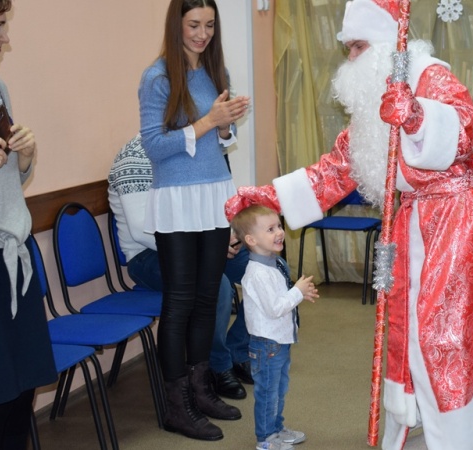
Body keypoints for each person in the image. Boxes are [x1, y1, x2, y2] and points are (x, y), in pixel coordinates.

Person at [225, 1, 473, 449]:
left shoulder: (429, 75)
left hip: (454, 222)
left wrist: (416, 115)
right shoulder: (374, 96)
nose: (351, 58)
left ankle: (458, 431)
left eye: (357, 46)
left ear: (383, 42)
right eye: (348, 48)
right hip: (412, 221)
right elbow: (336, 171)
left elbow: (468, 133)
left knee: (445, 333)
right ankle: (421, 418)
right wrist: (266, 196)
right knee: (414, 332)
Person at [138, 0, 250, 441]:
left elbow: (220, 140)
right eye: (193, 25)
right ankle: (175, 405)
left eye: (209, 25)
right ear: (176, 25)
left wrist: (226, 128)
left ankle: (201, 389)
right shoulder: (157, 77)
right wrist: (208, 123)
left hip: (212, 191)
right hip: (177, 198)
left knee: (207, 298)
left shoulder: (212, 71)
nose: (202, 34)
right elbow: (154, 146)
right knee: (180, 302)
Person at [0, 1, 58, 448]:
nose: (6, 37)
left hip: (15, 257)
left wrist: (25, 157)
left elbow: (8, 182)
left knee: (23, 390)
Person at [107, 134, 251, 402]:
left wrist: (232, 235)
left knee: (267, 267)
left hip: (201, 246)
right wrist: (209, 249)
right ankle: (217, 367)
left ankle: (238, 352)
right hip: (148, 256)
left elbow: (219, 207)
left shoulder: (200, 149)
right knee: (216, 287)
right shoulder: (134, 157)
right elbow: (141, 231)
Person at [231, 205, 318, 450]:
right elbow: (275, 308)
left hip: (278, 341)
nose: (279, 232)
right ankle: (266, 439)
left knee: (279, 389)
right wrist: (296, 292)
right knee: (268, 393)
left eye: (278, 226)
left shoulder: (272, 263)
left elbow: (281, 299)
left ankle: (277, 429)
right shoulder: (258, 272)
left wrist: (299, 293)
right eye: (270, 229)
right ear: (251, 239)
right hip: (267, 344)